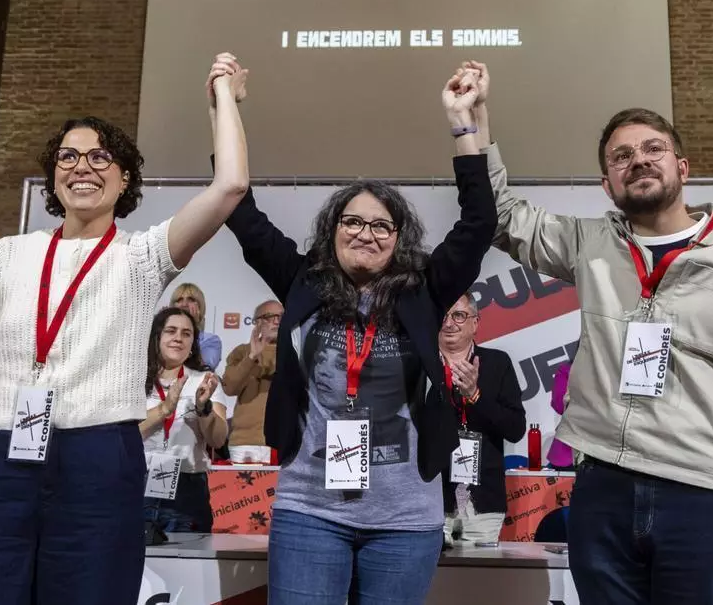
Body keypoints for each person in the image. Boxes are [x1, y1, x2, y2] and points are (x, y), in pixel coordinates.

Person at [470, 59, 713, 602]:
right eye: (621, 157)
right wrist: (472, 124)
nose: (638, 160)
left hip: (711, 496)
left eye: (653, 149)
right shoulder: (591, 244)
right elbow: (500, 215)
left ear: (682, 166)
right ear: (608, 184)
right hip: (603, 492)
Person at [0, 52, 250, 605]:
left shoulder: (143, 256)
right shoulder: (5, 255)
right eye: (68, 156)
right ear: (53, 174)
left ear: (125, 177)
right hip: (2, 459)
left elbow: (230, 186)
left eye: (100, 157)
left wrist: (223, 102)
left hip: (99, 462)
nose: (82, 167)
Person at [221, 66, 496, 604]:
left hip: (405, 519)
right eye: (352, 222)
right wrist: (224, 107)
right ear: (333, 230)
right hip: (309, 511)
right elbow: (242, 213)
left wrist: (463, 124)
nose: (365, 234)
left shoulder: (424, 290)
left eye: (381, 225)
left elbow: (479, 223)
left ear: (398, 238)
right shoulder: (303, 281)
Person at [438, 293, 525, 547]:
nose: (449, 323)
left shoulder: (497, 363)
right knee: (429, 573)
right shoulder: (423, 365)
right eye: (443, 316)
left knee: (479, 573)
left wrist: (475, 395)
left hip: (483, 502)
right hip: (431, 498)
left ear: (475, 323)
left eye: (459, 315)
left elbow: (515, 429)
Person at [141, 307, 228, 532]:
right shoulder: (135, 380)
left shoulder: (205, 380)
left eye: (186, 333)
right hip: (136, 484)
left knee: (186, 554)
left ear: (192, 345)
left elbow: (218, 440)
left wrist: (203, 408)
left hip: (187, 489)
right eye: (171, 331)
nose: (178, 338)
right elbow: (125, 434)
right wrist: (164, 409)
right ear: (156, 337)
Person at [221, 299, 283, 464]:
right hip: (245, 442)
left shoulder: (293, 352)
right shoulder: (242, 352)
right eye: (270, 317)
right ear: (257, 322)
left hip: (283, 441)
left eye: (281, 317)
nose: (277, 321)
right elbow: (229, 387)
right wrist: (251, 357)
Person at [171, 282, 223, 370]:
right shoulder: (163, 336)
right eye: (179, 299)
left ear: (200, 306)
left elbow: (204, 368)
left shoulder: (211, 340)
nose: (184, 304)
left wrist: (192, 327)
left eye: (190, 299)